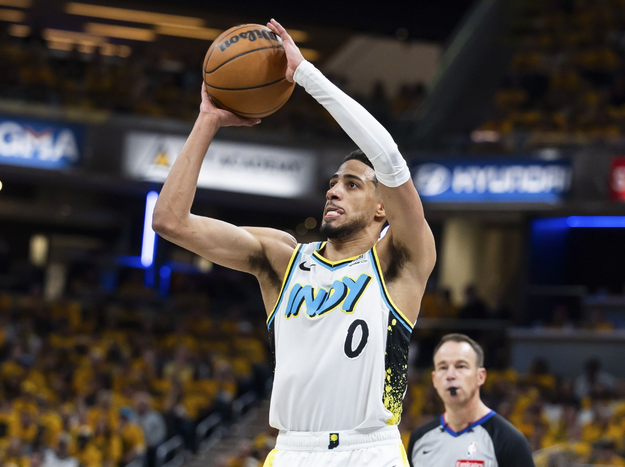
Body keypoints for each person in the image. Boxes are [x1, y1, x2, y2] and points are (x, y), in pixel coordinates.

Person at [153, 18, 436, 467]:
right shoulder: (281, 259)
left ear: (383, 207)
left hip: (369, 449)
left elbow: (389, 158)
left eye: (352, 184)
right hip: (291, 450)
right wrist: (207, 120)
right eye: (332, 183)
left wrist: (304, 74)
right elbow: (170, 221)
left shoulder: (400, 259)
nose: (334, 191)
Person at [407, 334, 534, 467]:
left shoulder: (510, 441)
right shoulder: (419, 439)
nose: (450, 375)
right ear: (434, 379)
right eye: (443, 367)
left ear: (480, 376)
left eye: (461, 366)